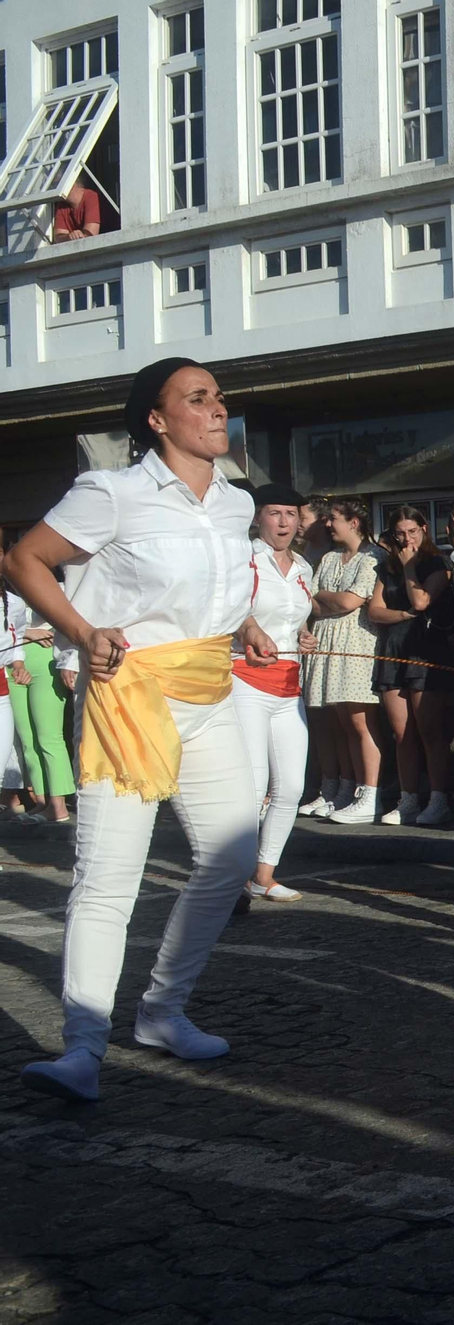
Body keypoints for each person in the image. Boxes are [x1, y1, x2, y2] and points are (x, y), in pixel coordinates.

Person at [9, 357, 275, 1103]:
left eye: (219, 397)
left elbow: (206, 581)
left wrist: (243, 621)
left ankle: (162, 1009)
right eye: (198, 399)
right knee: (107, 879)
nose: (217, 409)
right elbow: (24, 558)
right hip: (125, 698)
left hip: (209, 694)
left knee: (231, 856)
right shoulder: (112, 492)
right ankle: (83, 1049)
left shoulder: (233, 502)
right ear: (157, 421)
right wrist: (81, 628)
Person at [233, 485, 319, 904]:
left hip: (289, 684)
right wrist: (248, 628)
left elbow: (293, 619)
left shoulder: (303, 567)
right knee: (252, 784)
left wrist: (303, 636)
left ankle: (262, 875)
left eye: (291, 514)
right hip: (244, 679)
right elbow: (227, 608)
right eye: (275, 513)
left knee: (290, 787)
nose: (284, 522)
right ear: (258, 518)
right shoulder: (244, 558)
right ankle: (232, 877)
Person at [369, 507, 454, 827]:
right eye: (400, 534)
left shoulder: (438, 563)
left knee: (430, 731)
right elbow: (375, 611)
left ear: (424, 529)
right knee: (401, 732)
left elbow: (421, 601)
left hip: (425, 650)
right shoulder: (385, 567)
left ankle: (438, 798)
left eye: (413, 532)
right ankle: (408, 799)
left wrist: (408, 568)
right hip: (394, 648)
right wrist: (403, 616)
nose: (407, 540)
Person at [302, 499, 385, 824]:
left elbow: (352, 601)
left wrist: (328, 598)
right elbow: (310, 601)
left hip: (356, 644)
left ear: (354, 522)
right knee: (338, 722)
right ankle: (343, 789)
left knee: (360, 721)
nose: (328, 525)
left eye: (334, 519)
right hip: (327, 643)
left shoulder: (372, 557)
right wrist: (329, 600)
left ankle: (370, 792)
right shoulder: (330, 558)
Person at [3, 575, 73, 827]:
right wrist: (29, 633)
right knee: (27, 739)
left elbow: (68, 624)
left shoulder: (60, 585)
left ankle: (59, 805)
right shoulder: (8, 589)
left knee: (49, 736)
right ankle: (42, 802)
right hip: (13, 663)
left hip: (46, 661)